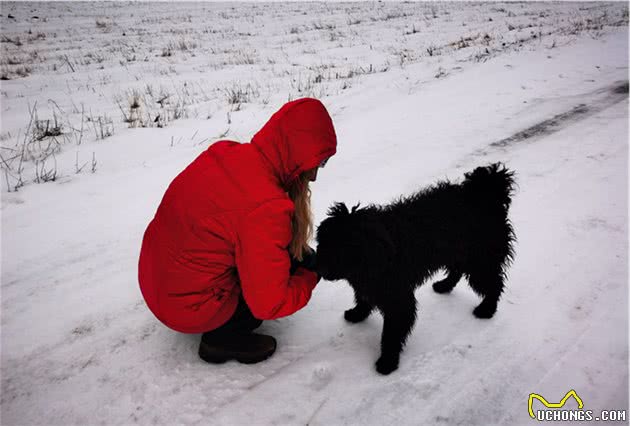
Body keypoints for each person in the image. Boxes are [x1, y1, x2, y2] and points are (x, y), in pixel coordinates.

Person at [138, 98, 337, 364]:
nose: (314, 176)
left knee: (280, 257)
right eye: (318, 162)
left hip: (155, 281)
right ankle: (222, 339)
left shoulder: (227, 152)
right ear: (298, 153)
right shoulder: (267, 207)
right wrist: (310, 276)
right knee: (275, 280)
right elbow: (270, 304)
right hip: (184, 308)